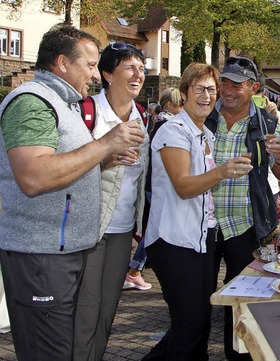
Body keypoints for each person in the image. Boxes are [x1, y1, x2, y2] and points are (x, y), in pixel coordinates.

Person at [0, 24, 144, 360]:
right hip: (41, 255)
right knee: (49, 352)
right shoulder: (31, 101)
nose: (96, 76)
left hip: (62, 253)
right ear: (62, 63)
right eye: (90, 65)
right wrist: (106, 143)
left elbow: (65, 165)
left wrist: (104, 161)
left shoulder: (64, 104)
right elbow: (33, 176)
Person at [141, 62, 232, 360]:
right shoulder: (173, 131)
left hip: (202, 238)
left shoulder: (207, 134)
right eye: (199, 89)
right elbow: (183, 185)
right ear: (184, 93)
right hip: (173, 240)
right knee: (191, 322)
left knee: (196, 320)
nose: (207, 96)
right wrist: (223, 172)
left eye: (211, 90)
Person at [205, 56, 280, 360]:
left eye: (237, 84)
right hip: (203, 224)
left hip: (246, 224)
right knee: (198, 301)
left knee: (241, 299)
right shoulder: (204, 116)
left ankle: (237, 355)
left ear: (254, 87)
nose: (228, 90)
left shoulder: (268, 122)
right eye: (224, 82)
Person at [73, 41, 150, 361]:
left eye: (142, 69)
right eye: (130, 68)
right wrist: (105, 160)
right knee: (86, 308)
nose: (139, 74)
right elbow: (65, 168)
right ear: (107, 73)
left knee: (107, 309)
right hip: (89, 227)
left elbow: (143, 178)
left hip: (121, 230)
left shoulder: (142, 116)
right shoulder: (86, 112)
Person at [124, 86, 184, 291]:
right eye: (179, 103)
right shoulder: (166, 125)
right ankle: (135, 269)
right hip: (158, 185)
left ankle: (135, 268)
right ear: (170, 105)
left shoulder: (157, 122)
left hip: (153, 183)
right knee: (155, 227)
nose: (182, 107)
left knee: (154, 225)